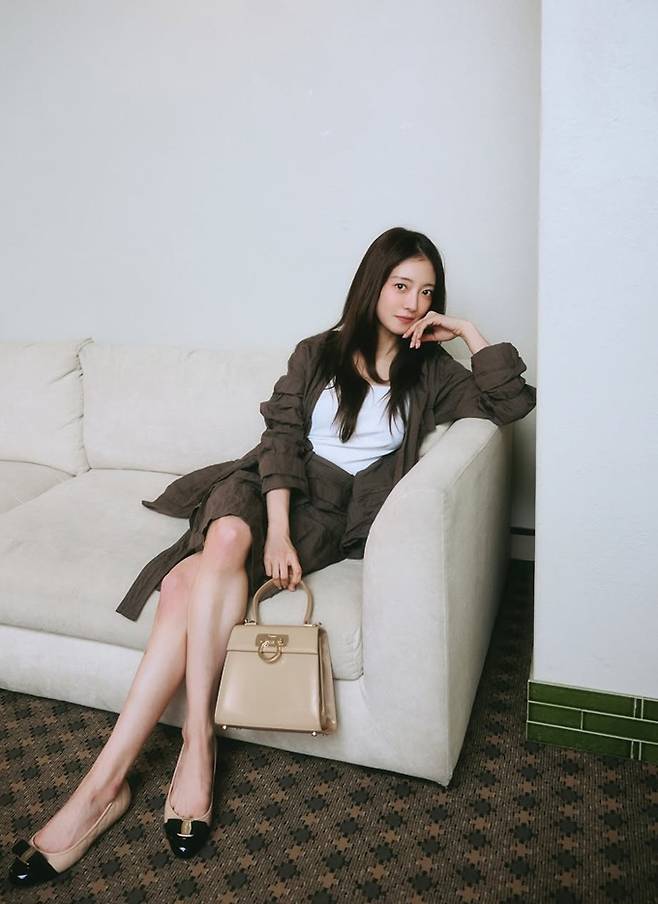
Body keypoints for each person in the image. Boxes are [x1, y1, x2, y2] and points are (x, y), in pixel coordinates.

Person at [8, 226, 537, 887]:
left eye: (427, 292)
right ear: (372, 284)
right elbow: (281, 440)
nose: (412, 302)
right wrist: (278, 531)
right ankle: (173, 755)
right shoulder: (317, 352)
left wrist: (468, 332)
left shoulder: (432, 371)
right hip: (267, 486)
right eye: (401, 285)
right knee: (229, 537)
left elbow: (511, 405)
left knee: (183, 587)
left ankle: (118, 780)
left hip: (329, 512)